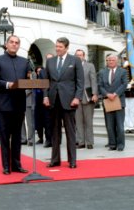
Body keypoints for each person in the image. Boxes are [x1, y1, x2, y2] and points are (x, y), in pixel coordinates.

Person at [0, 35, 30, 175]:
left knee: (17, 137)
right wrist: (7, 84)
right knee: (5, 137)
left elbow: (28, 80)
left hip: (19, 104)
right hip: (5, 104)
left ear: (19, 46)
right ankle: (6, 166)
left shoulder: (25, 62)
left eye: (17, 43)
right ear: (6, 44)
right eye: (11, 42)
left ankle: (16, 165)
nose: (14, 44)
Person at [43, 37, 84, 169]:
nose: (57, 49)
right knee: (54, 132)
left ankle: (72, 161)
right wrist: (45, 96)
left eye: (60, 47)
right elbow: (46, 81)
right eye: (56, 46)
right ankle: (55, 160)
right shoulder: (50, 61)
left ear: (66, 47)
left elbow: (80, 82)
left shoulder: (75, 60)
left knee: (70, 132)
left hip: (69, 101)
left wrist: (77, 97)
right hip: (54, 101)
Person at [98, 54, 128, 151]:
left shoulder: (123, 71)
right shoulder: (102, 72)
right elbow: (100, 85)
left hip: (118, 100)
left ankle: (120, 144)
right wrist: (107, 94)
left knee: (119, 124)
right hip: (107, 100)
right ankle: (112, 144)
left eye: (112, 60)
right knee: (109, 125)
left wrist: (115, 94)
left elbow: (124, 84)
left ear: (116, 61)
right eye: (108, 60)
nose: (110, 62)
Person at [75, 49, 98, 149]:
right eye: (77, 55)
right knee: (78, 121)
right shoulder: (72, 66)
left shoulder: (90, 66)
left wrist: (95, 93)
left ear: (84, 56)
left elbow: (93, 80)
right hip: (76, 97)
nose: (79, 57)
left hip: (88, 96)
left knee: (88, 121)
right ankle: (81, 142)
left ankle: (89, 142)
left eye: (80, 55)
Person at [121, 56, 134, 134]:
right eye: (125, 58)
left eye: (127, 58)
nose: (125, 60)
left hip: (132, 93)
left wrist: (132, 86)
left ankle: (132, 126)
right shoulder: (121, 69)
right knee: (125, 111)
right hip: (124, 93)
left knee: (132, 111)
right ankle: (126, 127)